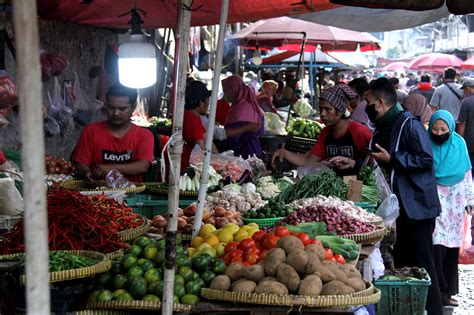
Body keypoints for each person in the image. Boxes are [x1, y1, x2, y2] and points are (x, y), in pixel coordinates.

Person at [365, 78, 443, 315]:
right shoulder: (384, 126)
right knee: (405, 264)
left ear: (379, 102)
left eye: (367, 101)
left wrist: (394, 159)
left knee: (423, 263)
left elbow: (426, 159)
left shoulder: (409, 124)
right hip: (402, 209)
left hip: (417, 207)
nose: (365, 106)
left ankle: (434, 310)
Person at [272, 84, 372, 177]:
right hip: (335, 188)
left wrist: (353, 164)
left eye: (328, 109)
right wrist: (284, 153)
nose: (323, 114)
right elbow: (309, 161)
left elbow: (373, 164)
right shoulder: (326, 132)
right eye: (321, 109)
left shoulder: (358, 131)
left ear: (340, 110)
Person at [429, 110, 473, 307]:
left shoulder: (459, 144)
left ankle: (448, 292)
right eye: (435, 129)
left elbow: (466, 174)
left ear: (450, 128)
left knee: (451, 250)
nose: (439, 133)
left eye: (443, 129)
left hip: (455, 205)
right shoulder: (426, 144)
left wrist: (471, 201)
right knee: (436, 247)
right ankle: (436, 291)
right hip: (434, 205)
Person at [73, 84, 154, 183]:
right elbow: (81, 163)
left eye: (122, 109)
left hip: (132, 194)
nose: (116, 113)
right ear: (106, 106)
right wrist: (87, 172)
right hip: (97, 193)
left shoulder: (144, 135)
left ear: (133, 108)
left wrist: (110, 168)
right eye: (111, 108)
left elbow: (142, 167)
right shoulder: (91, 131)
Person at [221, 75, 264, 158]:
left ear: (232, 91)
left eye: (226, 92)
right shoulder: (251, 103)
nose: (226, 95)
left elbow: (232, 138)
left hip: (243, 154)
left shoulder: (239, 109)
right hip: (255, 151)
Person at [456, 78, 474, 167]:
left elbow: (462, 124)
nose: (463, 93)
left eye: (464, 90)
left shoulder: (466, 102)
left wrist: (460, 141)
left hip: (470, 142)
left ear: (467, 88)